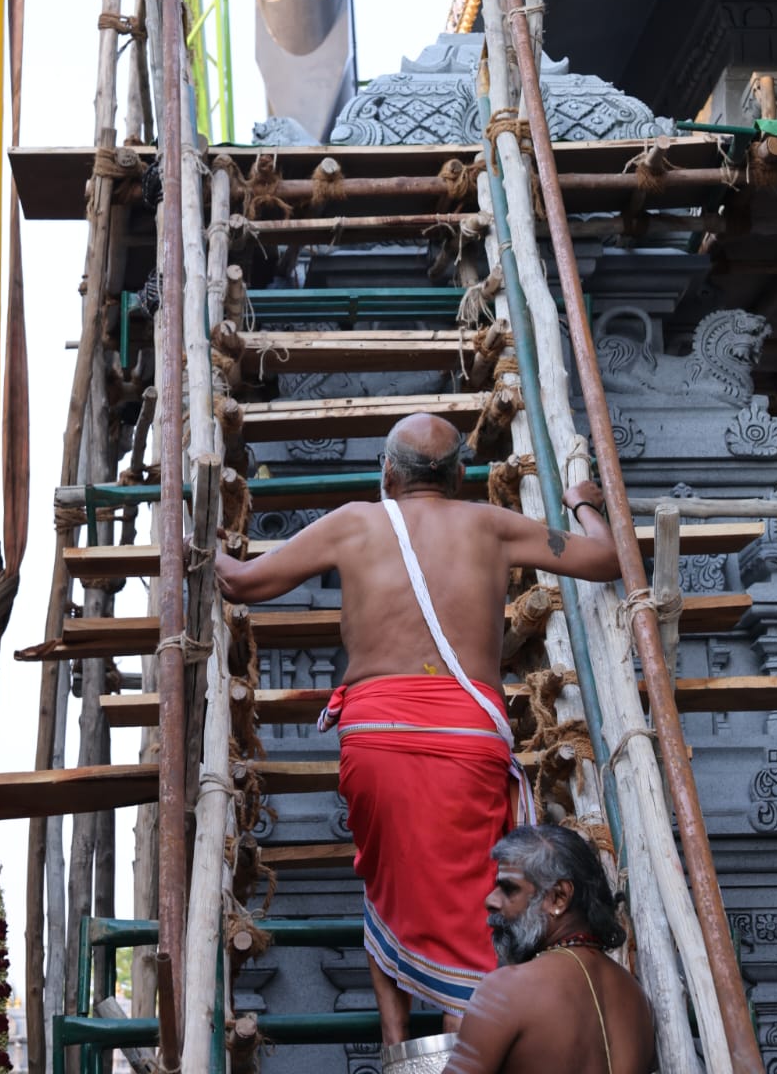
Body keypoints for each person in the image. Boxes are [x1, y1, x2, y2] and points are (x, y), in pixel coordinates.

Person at [215, 412, 620, 1045]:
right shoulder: (490, 525)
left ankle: (397, 1041)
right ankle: (463, 1044)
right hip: (468, 743)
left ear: (387, 474)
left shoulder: (354, 522)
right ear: (459, 476)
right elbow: (606, 558)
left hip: (375, 740)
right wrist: (584, 503)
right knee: (468, 920)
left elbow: (239, 581)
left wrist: (196, 536)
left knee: (387, 887)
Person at [443, 823, 655, 1074]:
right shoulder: (636, 995)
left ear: (558, 898)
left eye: (509, 889)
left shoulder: (508, 989)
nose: (491, 901)